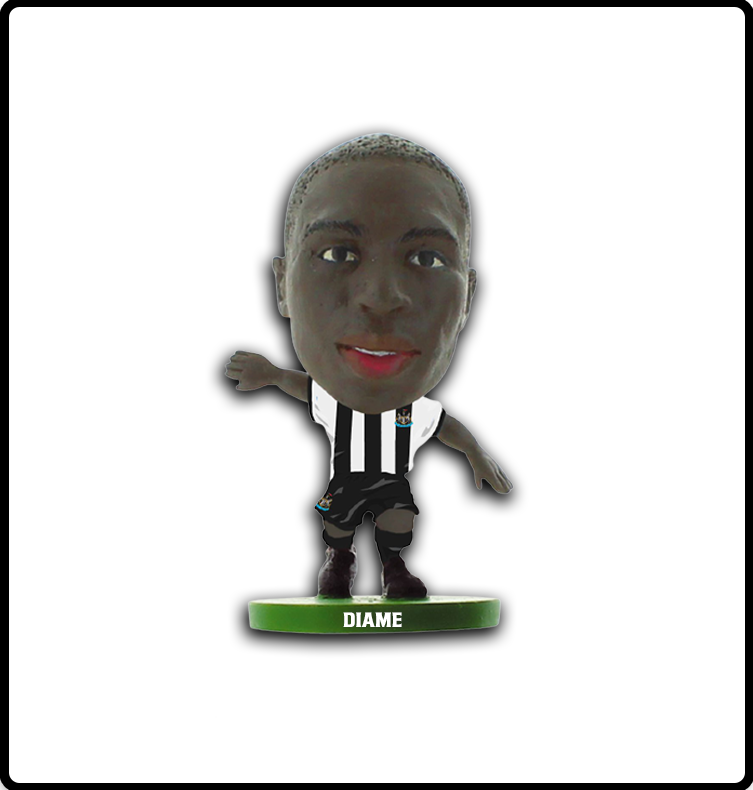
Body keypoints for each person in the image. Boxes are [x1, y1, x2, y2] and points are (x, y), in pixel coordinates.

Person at [225, 133, 512, 599]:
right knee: (339, 525)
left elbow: (447, 428)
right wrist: (272, 375)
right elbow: (302, 388)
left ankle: (394, 569)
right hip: (347, 482)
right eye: (337, 254)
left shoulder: (414, 412)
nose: (380, 298)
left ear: (467, 300)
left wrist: (476, 455)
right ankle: (339, 562)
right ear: (282, 286)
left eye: (426, 258)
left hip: (389, 483)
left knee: (397, 520)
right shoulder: (331, 402)